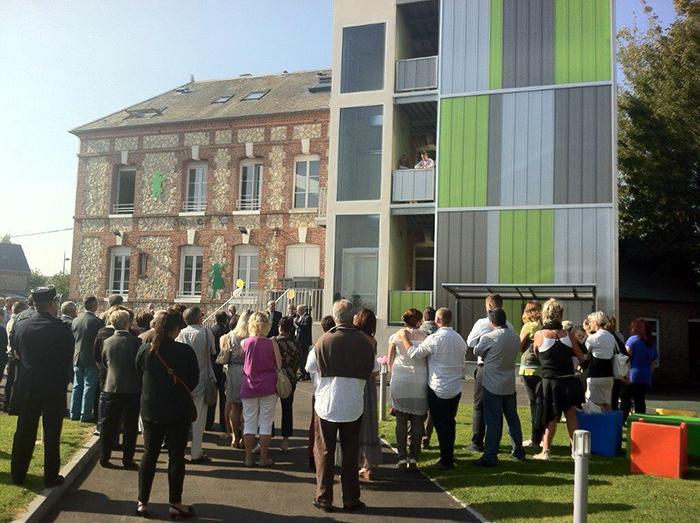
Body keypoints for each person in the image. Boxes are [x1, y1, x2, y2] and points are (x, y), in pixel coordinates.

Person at [306, 300, 376, 512]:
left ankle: (324, 497)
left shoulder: (324, 340)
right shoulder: (365, 342)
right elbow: (375, 370)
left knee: (324, 451)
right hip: (353, 404)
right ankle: (351, 498)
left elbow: (310, 366)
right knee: (350, 452)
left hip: (327, 402)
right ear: (352, 317)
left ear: (335, 317)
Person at [136, 308, 199, 519]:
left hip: (151, 408)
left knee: (149, 454)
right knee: (176, 456)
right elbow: (193, 379)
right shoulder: (185, 351)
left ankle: (142, 501)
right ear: (174, 329)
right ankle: (175, 502)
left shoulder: (145, 350)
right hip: (178, 409)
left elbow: (138, 374)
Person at [11, 286, 73, 488]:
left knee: (24, 430)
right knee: (52, 432)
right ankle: (50, 475)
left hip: (28, 383)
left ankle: (18, 474)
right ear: (53, 304)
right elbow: (67, 359)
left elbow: (18, 353)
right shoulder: (61, 328)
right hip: (53, 386)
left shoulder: (22, 325)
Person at [397, 307, 467, 471]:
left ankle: (446, 460)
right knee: (450, 423)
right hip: (455, 387)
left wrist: (405, 338)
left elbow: (414, 354)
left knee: (442, 425)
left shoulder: (435, 338)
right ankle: (448, 456)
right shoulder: (459, 339)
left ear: (437, 320)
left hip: (438, 387)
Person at [532, 299, 586, 460]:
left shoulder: (539, 334)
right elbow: (581, 357)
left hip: (550, 381)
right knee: (571, 416)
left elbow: (537, 353)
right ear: (560, 315)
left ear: (545, 314)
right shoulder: (569, 336)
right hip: (568, 380)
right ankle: (576, 451)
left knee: (550, 417)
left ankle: (546, 451)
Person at [473, 309, 525, 466]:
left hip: (492, 384)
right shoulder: (515, 337)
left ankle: (490, 456)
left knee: (493, 420)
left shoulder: (489, 337)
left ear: (491, 322)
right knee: (512, 418)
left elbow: (477, 351)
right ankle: (518, 452)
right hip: (509, 382)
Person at [465, 294, 513, 453]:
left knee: (479, 405)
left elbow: (470, 343)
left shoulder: (481, 323)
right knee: (497, 408)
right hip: (504, 369)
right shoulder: (510, 325)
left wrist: (484, 341)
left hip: (485, 367)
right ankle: (494, 443)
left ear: (490, 306)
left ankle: (477, 441)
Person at [99, 309, 142, 470]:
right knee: (130, 427)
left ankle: (104, 457)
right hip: (132, 388)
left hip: (111, 386)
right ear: (127, 323)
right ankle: (128, 459)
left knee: (108, 424)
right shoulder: (135, 342)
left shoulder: (107, 341)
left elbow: (104, 362)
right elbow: (139, 364)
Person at [389, 308, 427, 473]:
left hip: (401, 379)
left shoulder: (395, 335)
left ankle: (402, 456)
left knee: (401, 420)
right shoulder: (425, 337)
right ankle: (414, 456)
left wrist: (394, 373)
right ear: (418, 321)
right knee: (418, 420)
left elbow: (390, 361)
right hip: (419, 380)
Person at [176, 307, 215, 464]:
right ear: (199, 318)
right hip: (202, 377)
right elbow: (213, 351)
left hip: (183, 379)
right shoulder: (206, 333)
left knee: (181, 417)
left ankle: (179, 450)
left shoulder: (180, 334)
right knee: (199, 418)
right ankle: (196, 451)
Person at [240, 311, 279, 468]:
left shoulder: (244, 343)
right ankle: (264, 458)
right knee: (265, 423)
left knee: (249, 422)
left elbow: (245, 361)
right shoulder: (272, 343)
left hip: (249, 385)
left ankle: (248, 457)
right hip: (268, 385)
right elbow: (279, 364)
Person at [353, 308, 382, 480]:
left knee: (354, 423)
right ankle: (369, 465)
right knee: (369, 422)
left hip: (355, 382)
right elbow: (374, 369)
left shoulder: (354, 338)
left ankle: (353, 463)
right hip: (369, 384)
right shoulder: (373, 341)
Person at [307, 315, 335, 472]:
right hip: (330, 390)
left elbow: (309, 367)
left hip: (319, 390)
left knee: (317, 427)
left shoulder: (318, 345)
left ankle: (314, 457)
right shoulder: (337, 344)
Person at [71, 296, 104, 422]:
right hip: (91, 358)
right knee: (89, 387)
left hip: (77, 357)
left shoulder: (76, 320)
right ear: (93, 305)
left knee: (77, 386)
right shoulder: (97, 322)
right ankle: (85, 414)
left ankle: (74, 412)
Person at [223, 309, 252, 449]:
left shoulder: (231, 335)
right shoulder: (252, 336)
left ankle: (235, 436)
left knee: (235, 406)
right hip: (247, 370)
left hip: (233, 369)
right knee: (246, 408)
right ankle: (243, 438)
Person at [620, 318, 658, 421]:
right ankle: (640, 421)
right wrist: (649, 372)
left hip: (632, 374)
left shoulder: (633, 340)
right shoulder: (651, 343)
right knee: (640, 400)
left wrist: (622, 373)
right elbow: (653, 362)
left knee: (625, 398)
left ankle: (623, 420)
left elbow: (625, 356)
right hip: (645, 375)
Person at [273, 317, 301, 452]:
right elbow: (298, 361)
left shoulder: (274, 342)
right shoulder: (296, 343)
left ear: (280, 327)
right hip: (290, 378)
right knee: (287, 408)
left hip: (274, 377)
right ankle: (285, 440)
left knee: (269, 409)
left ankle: (267, 436)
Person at [518, 300, 543, 448]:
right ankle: (539, 436)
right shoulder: (541, 326)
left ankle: (534, 439)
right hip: (539, 367)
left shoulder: (529, 326)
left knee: (533, 404)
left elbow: (520, 346)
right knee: (539, 403)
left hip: (528, 367)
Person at [584, 311, 616, 411]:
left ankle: (595, 425)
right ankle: (609, 424)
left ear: (596, 322)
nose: (589, 324)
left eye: (590, 321)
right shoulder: (611, 337)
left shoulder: (592, 338)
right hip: (608, 375)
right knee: (607, 404)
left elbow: (585, 356)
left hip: (595, 374)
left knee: (592, 404)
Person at [3, 301, 29, 413]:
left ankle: (7, 403)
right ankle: (13, 406)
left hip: (10, 354)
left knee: (10, 381)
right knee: (16, 381)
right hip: (15, 354)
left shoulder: (10, 321)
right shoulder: (16, 322)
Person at [419, 306, 438, 449]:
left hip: (420, 372)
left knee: (418, 407)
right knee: (431, 409)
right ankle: (426, 438)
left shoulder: (418, 331)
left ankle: (413, 437)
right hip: (434, 373)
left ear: (424, 318)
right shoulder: (439, 331)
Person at [208, 311, 229, 433]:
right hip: (224, 366)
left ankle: (208, 422)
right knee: (224, 397)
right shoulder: (227, 331)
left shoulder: (211, 331)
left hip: (213, 364)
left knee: (211, 395)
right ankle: (224, 423)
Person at [605, 316, 628, 410]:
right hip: (618, 372)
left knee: (608, 398)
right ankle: (616, 418)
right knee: (614, 398)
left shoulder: (606, 337)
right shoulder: (619, 336)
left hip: (609, 370)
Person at [295, 304, 313, 380]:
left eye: (299, 310)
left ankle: (306, 373)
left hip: (304, 341)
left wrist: (297, 323)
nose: (297, 312)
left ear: (302, 310)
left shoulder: (307, 317)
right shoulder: (299, 317)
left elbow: (305, 327)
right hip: (298, 340)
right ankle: (302, 372)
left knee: (304, 357)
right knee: (300, 357)